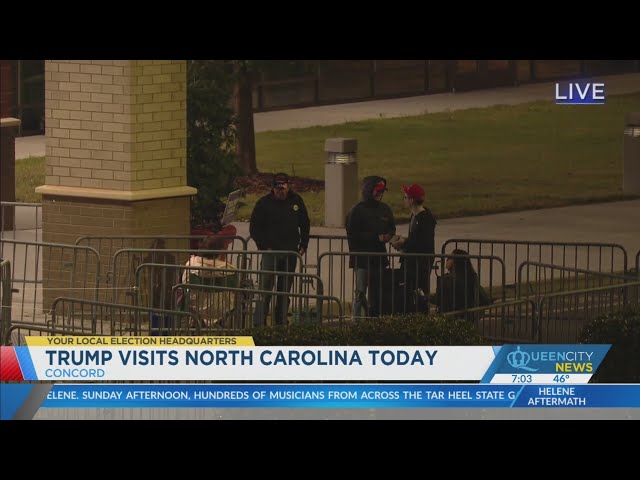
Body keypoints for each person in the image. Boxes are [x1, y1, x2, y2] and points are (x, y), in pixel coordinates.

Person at [250, 172, 310, 326]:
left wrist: (304, 243)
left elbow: (304, 223)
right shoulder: (264, 203)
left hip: (290, 252)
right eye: (278, 189)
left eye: (283, 189)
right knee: (265, 288)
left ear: (288, 187)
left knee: (284, 290)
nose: (281, 192)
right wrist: (264, 247)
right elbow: (255, 228)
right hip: (271, 252)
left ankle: (281, 321)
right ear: (273, 189)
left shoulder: (296, 201)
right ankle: (259, 322)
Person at [346, 176, 396, 318]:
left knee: (378, 292)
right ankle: (356, 320)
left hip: (379, 258)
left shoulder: (385, 209)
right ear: (369, 190)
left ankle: (375, 319)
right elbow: (353, 235)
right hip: (362, 259)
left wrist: (389, 235)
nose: (380, 194)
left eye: (382, 191)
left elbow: (392, 227)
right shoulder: (357, 210)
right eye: (377, 191)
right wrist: (376, 237)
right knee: (360, 292)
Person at [390, 184, 437, 312]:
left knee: (419, 294)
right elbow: (416, 239)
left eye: (405, 197)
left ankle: (421, 316)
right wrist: (404, 241)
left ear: (412, 200)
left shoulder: (425, 218)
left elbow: (423, 243)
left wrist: (403, 243)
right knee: (409, 294)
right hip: (412, 262)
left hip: (420, 264)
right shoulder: (414, 216)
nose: (403, 200)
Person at [179, 235, 237, 327]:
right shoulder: (229, 269)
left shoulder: (191, 265)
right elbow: (235, 290)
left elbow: (185, 285)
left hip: (196, 308)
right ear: (221, 250)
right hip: (222, 309)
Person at [431, 248, 492, 321]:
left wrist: (426, 298)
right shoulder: (472, 277)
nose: (447, 260)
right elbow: (484, 299)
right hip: (469, 318)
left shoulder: (447, 279)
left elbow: (438, 299)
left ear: (455, 261)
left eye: (449, 258)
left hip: (449, 319)